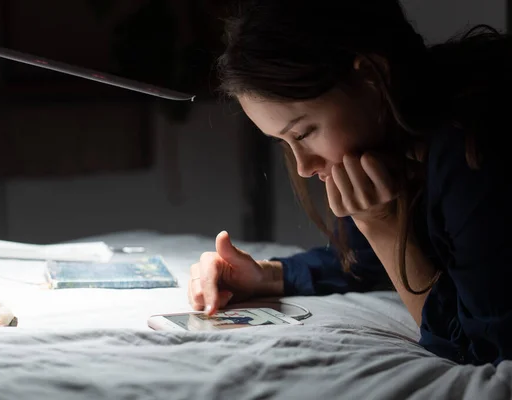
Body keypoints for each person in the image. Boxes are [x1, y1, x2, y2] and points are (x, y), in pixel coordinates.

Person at [187, 0, 512, 366]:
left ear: (371, 78)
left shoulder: (471, 152)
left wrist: (384, 228)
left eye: (305, 132)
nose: (304, 166)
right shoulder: (398, 145)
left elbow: (481, 351)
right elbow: (366, 261)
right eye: (285, 142)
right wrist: (264, 275)